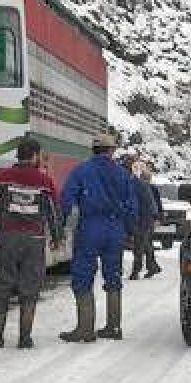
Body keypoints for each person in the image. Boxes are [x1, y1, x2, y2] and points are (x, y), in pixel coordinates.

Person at [0, 137, 63, 349]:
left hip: (7, 241)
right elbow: (55, 213)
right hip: (34, 242)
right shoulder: (45, 182)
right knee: (30, 288)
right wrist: (57, 238)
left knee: (0, 286)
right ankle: (25, 337)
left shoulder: (2, 178)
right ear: (34, 156)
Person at [59, 134, 138, 342]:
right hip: (115, 229)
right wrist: (130, 232)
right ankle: (113, 326)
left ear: (93, 149)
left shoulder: (81, 171)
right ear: (111, 151)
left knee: (83, 276)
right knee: (113, 278)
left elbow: (67, 199)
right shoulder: (123, 174)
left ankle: (85, 329)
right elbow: (132, 206)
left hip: (90, 227)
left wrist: (60, 226)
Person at [130, 165, 163, 279]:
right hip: (146, 219)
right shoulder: (142, 186)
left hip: (142, 219)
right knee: (145, 243)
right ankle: (152, 266)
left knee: (140, 245)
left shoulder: (138, 186)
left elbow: (150, 204)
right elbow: (154, 204)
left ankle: (137, 270)